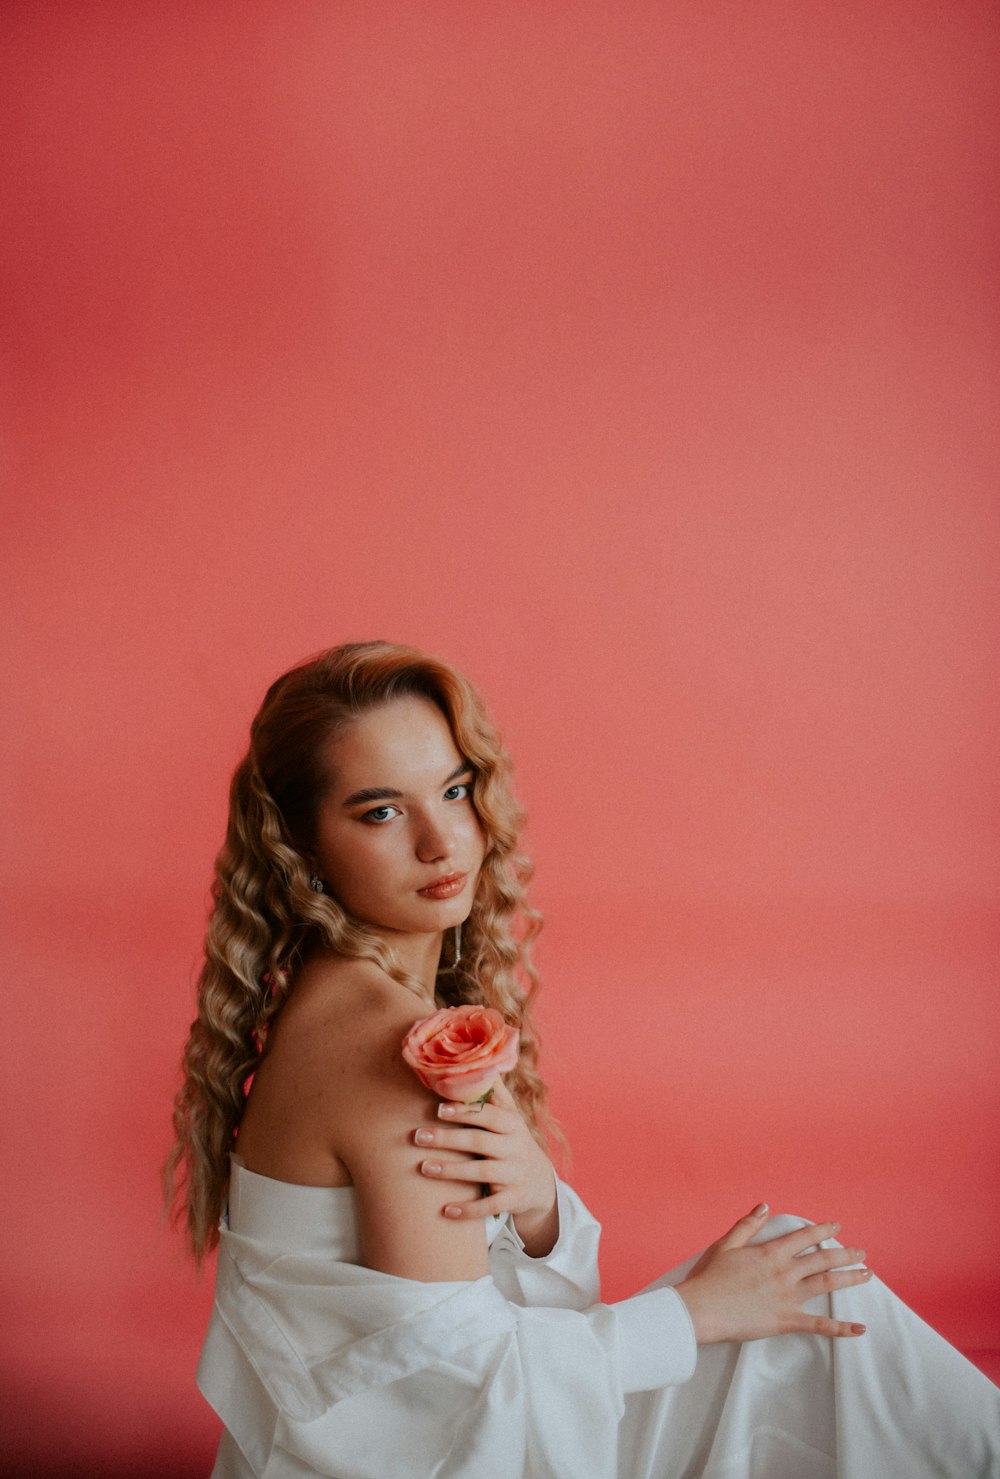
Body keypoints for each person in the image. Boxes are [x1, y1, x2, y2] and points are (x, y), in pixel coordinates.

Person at [166, 640, 1000, 1479]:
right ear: (301, 846)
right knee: (809, 1303)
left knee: (802, 1281)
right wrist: (693, 1316)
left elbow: (499, 1335)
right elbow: (459, 1409)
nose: (440, 839)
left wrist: (536, 1209)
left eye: (454, 790)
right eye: (381, 811)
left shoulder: (342, 1001)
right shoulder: (389, 1046)